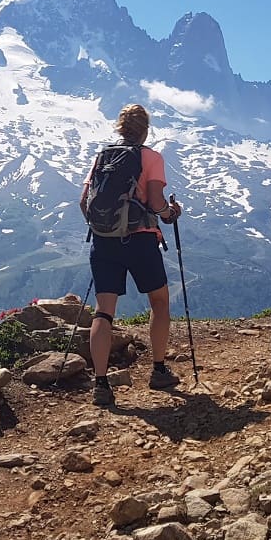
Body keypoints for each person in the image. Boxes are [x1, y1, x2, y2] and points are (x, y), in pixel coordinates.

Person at [79, 103, 183, 407]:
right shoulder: (150, 157)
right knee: (160, 301)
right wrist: (170, 214)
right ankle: (159, 370)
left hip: (104, 242)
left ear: (120, 127)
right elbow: (154, 200)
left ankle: (101, 385)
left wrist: (104, 227)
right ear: (145, 130)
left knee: (104, 311)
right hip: (140, 241)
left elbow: (84, 200)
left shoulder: (103, 156)